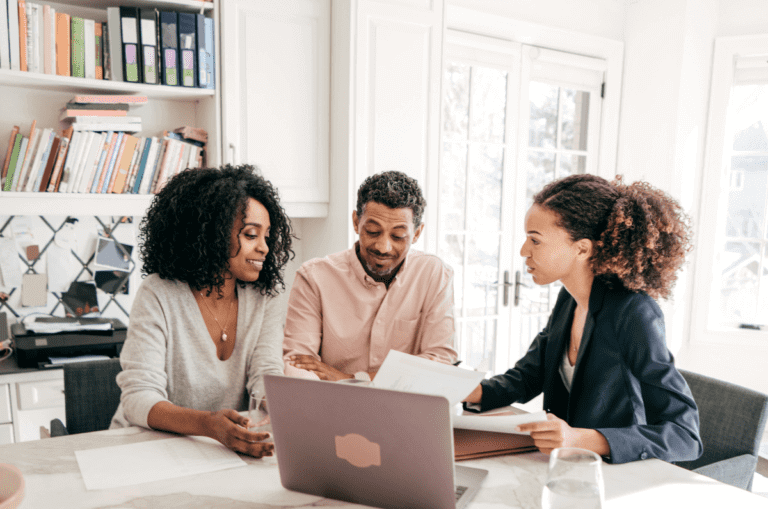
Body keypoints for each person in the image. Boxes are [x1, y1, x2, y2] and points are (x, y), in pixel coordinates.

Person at [464, 174, 703, 465]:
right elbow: (530, 375)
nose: (523, 251)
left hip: (616, 475)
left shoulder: (634, 312)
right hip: (566, 468)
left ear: (582, 248)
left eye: (535, 240)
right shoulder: (569, 299)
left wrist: (580, 439)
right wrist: (468, 390)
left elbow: (684, 436)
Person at [110, 165, 294, 458]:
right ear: (212, 233)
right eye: (251, 235)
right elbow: (138, 398)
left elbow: (266, 374)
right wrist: (208, 425)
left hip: (221, 448)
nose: (264, 248)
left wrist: (289, 410)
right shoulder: (159, 293)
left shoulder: (265, 297)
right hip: (148, 448)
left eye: (267, 237)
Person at [284, 170, 457, 381]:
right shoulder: (313, 278)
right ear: (356, 222)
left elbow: (441, 362)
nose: (384, 247)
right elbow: (298, 365)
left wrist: (352, 379)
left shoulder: (434, 274)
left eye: (398, 236)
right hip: (332, 407)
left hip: (405, 409)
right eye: (373, 231)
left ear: (417, 233)